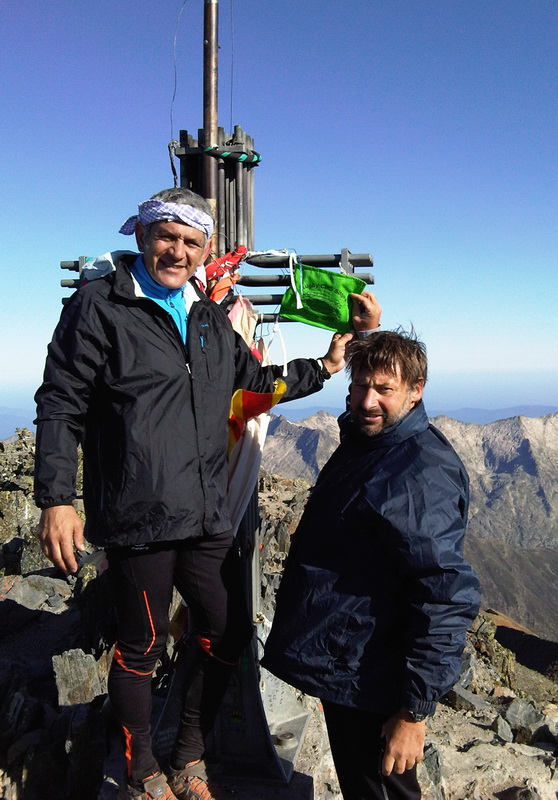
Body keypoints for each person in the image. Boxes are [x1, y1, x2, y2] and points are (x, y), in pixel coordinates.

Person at [34, 187, 381, 800]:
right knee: (142, 645)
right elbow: (60, 401)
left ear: (205, 249)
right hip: (138, 511)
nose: (178, 251)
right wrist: (56, 498)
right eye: (167, 237)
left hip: (205, 509)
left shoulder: (206, 317)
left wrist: (327, 365)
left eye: (191, 242)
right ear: (143, 236)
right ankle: (142, 772)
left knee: (228, 632)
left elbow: (254, 383)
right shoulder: (101, 305)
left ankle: (188, 754)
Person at [262, 330, 480, 800]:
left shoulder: (418, 473)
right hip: (349, 663)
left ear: (416, 390)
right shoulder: (372, 442)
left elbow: (444, 595)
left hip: (372, 678)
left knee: (381, 790)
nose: (367, 400)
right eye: (360, 385)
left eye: (384, 389)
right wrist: (362, 331)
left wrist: (413, 713)